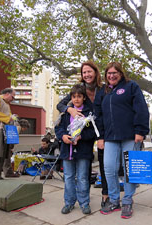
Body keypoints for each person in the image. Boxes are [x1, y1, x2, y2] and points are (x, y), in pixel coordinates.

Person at [95, 62, 150, 219]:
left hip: (130, 136)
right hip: (110, 137)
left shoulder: (131, 86)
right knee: (109, 168)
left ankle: (127, 200)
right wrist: (100, 136)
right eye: (109, 73)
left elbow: (141, 108)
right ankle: (114, 200)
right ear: (106, 76)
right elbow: (97, 115)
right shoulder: (103, 92)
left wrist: (140, 131)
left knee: (129, 170)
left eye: (115, 72)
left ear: (121, 73)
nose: (111, 76)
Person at [56, 61, 110, 207]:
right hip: (81, 131)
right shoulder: (79, 90)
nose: (86, 75)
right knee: (81, 172)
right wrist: (70, 110)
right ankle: (80, 199)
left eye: (89, 71)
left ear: (96, 72)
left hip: (100, 130)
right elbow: (60, 105)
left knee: (103, 163)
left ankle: (105, 195)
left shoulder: (103, 89)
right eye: (84, 72)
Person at [55, 84, 96, 215]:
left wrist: (81, 136)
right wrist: (62, 136)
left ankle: (84, 203)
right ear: (71, 98)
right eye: (74, 97)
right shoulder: (66, 113)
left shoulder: (89, 113)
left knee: (83, 178)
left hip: (83, 152)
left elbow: (93, 133)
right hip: (68, 151)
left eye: (79, 96)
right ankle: (69, 202)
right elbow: (58, 128)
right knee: (68, 177)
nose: (76, 99)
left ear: (84, 97)